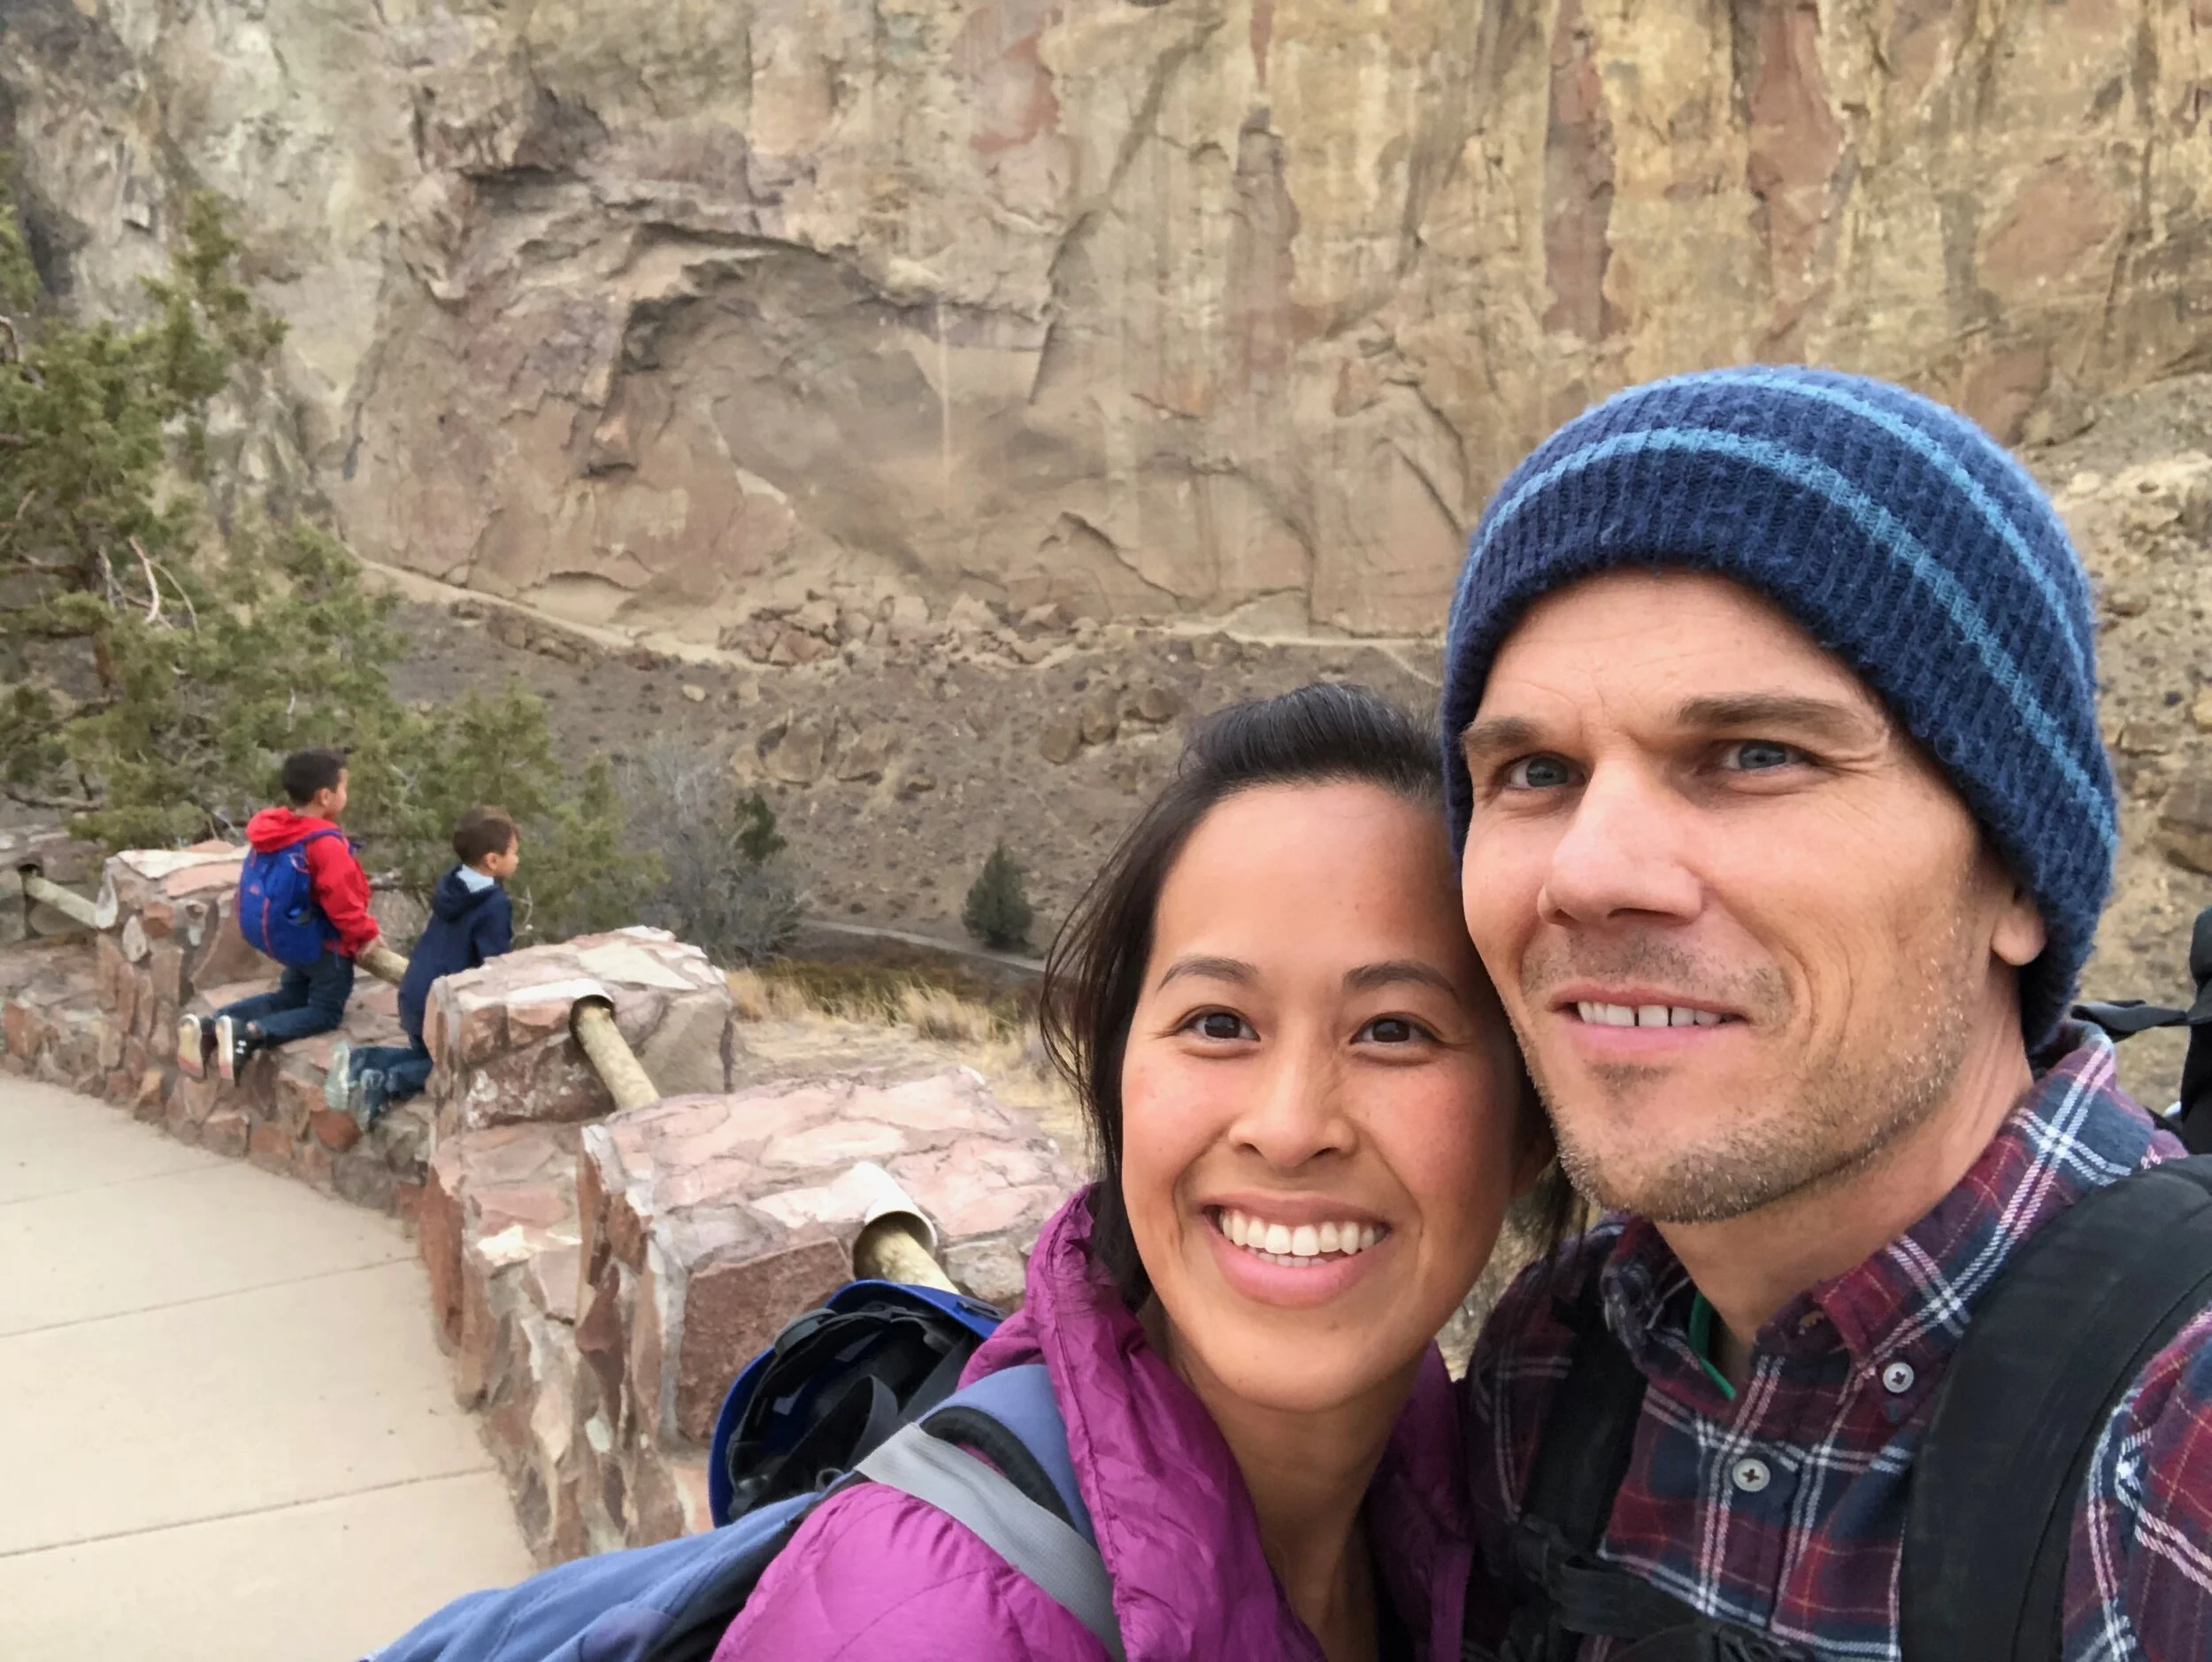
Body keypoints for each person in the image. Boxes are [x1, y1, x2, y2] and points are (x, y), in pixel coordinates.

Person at [1440, 367, 2212, 1658]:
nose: (1590, 869)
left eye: (1754, 754)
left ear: (2017, 872)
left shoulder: (2173, 1446)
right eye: (1534, 772)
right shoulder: (1551, 1371)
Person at [716, 683, 1562, 1661]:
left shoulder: (1477, 1497)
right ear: (1119, 1082)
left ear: (1529, 1130)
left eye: (1393, 1032)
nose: (1288, 1129)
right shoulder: (923, 1626)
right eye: (1217, 1024)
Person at [179, 747, 380, 1082]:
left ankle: (211, 1025)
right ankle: (251, 1032)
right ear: (325, 796)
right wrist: (366, 934)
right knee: (325, 1011)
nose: (347, 793)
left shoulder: (277, 830)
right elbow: (342, 902)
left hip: (288, 937)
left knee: (290, 996)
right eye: (344, 787)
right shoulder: (324, 843)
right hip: (323, 944)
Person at [327, 805, 518, 1124]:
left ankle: (360, 1061)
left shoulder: (453, 883)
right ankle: (387, 1082)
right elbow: (492, 962)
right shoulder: (494, 905)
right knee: (452, 1067)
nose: (518, 859)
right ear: (492, 860)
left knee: (425, 1053)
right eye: (514, 852)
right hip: (438, 1003)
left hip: (414, 989)